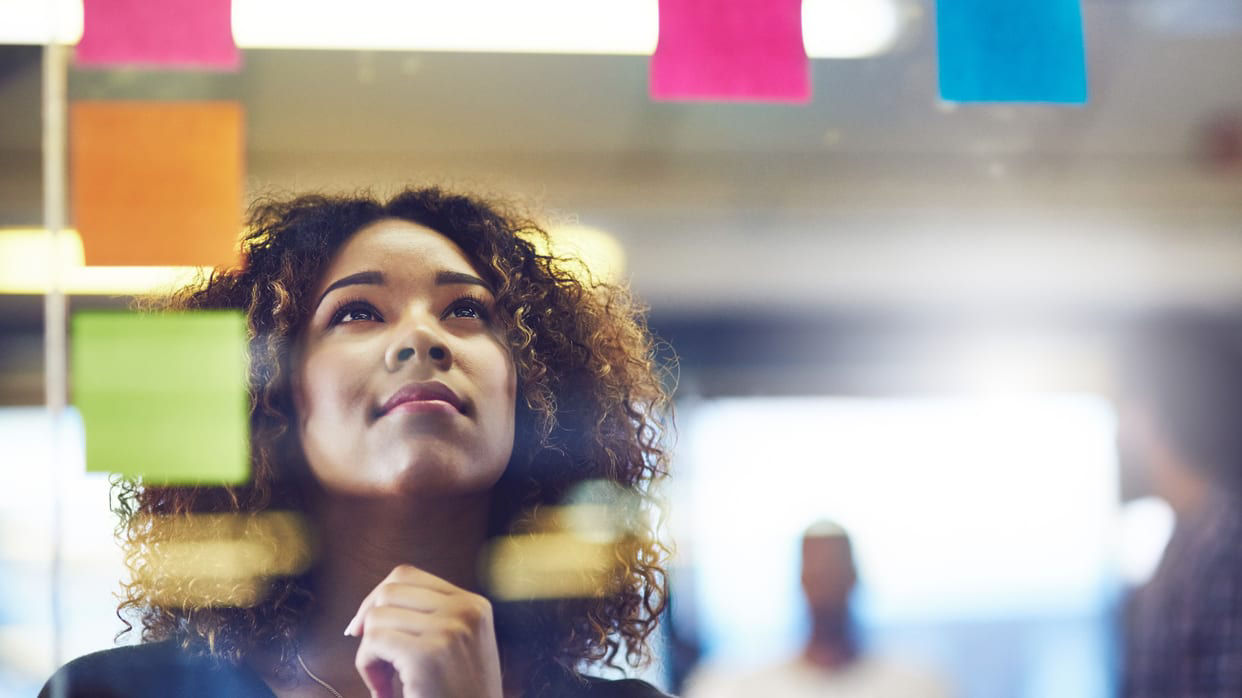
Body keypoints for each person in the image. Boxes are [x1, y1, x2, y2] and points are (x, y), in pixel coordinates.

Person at [41, 187, 675, 698]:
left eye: (466, 311)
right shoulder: (113, 693)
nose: (423, 338)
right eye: (357, 313)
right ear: (276, 399)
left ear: (529, 386)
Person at [1116, 319, 1242, 697]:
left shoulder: (1225, 550)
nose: (1117, 433)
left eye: (1124, 408)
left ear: (1152, 416)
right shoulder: (1188, 543)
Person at [683, 521, 950, 698]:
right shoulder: (734, 687)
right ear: (801, 581)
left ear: (853, 578)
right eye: (816, 573)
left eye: (834, 570)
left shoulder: (919, 687)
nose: (825, 584)